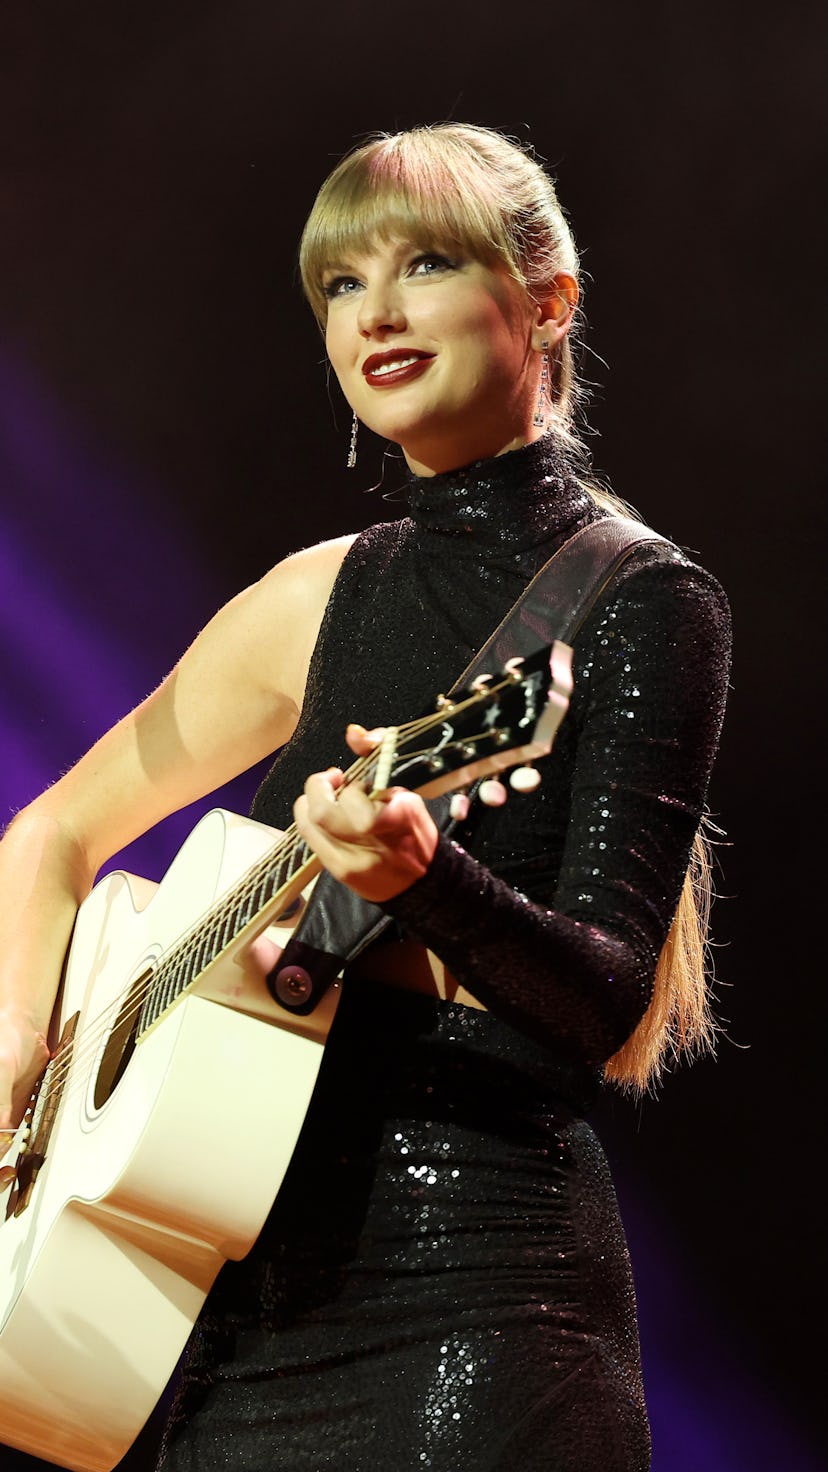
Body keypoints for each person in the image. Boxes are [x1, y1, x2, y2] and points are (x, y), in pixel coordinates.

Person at [0, 124, 731, 1472]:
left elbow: (601, 997)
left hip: (476, 1301)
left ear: (546, 298)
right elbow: (46, 837)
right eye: (341, 285)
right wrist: (21, 1074)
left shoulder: (643, 604)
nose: (375, 312)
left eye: (426, 264)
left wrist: (424, 879)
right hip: (223, 1316)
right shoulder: (309, 598)